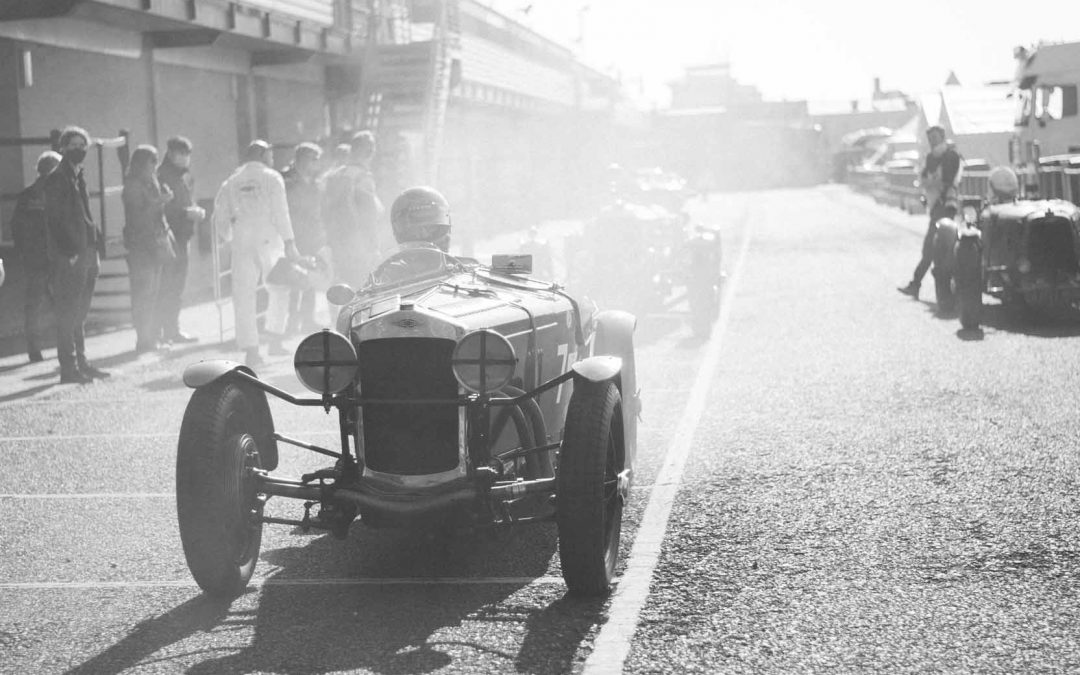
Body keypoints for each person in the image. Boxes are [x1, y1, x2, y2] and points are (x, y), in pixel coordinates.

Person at [213, 140, 299, 367]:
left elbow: (220, 214)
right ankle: (275, 339)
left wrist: (229, 237)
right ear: (262, 155)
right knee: (279, 286)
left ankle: (251, 350)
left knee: (243, 295)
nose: (272, 159)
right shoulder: (272, 178)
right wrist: (290, 241)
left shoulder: (232, 181)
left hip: (242, 237)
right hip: (269, 235)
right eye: (269, 155)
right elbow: (282, 212)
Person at [45, 126, 109, 383]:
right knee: (68, 312)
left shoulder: (77, 176)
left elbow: (85, 215)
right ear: (62, 148)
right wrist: (70, 251)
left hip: (86, 251)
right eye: (72, 145)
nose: (79, 150)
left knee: (80, 312)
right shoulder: (57, 179)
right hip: (70, 254)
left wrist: (97, 243)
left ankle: (81, 362)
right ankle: (68, 368)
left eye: (83, 145)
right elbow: (56, 219)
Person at [898, 126, 963, 298]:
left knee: (933, 246)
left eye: (935, 137)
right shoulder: (932, 157)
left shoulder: (950, 155)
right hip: (936, 205)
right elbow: (926, 176)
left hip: (945, 204)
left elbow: (946, 180)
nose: (933, 140)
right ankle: (920, 284)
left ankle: (918, 284)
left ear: (942, 136)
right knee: (936, 247)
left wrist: (931, 181)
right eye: (930, 138)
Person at [122, 145, 174, 353]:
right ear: (141, 163)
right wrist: (160, 201)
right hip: (140, 245)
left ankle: (152, 337)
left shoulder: (151, 181)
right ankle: (143, 339)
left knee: (153, 292)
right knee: (143, 293)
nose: (155, 165)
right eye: (152, 161)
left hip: (154, 243)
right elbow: (137, 216)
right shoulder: (133, 185)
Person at [12, 150, 61, 362]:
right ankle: (65, 346)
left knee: (35, 305)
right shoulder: (59, 193)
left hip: (35, 258)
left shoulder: (27, 195)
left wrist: (23, 251)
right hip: (55, 256)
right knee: (61, 303)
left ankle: (34, 348)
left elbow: (16, 226)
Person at [157, 136, 204, 344]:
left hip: (181, 236)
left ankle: (171, 329)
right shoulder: (164, 175)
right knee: (169, 285)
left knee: (175, 286)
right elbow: (165, 208)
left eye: (187, 154)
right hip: (171, 236)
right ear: (170, 153)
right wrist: (188, 212)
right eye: (181, 153)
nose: (185, 158)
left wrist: (191, 210)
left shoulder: (181, 176)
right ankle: (167, 331)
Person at [323, 130, 382, 288]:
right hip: (359, 243)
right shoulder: (363, 177)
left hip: (339, 242)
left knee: (342, 289)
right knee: (362, 288)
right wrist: (373, 245)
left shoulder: (336, 175)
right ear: (369, 151)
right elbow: (369, 215)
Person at [282, 142, 326, 334]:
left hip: (311, 234)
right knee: (293, 279)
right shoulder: (287, 179)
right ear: (302, 159)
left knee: (310, 277)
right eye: (313, 159)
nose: (316, 164)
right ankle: (291, 321)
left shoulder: (315, 180)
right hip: (293, 234)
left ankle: (307, 320)